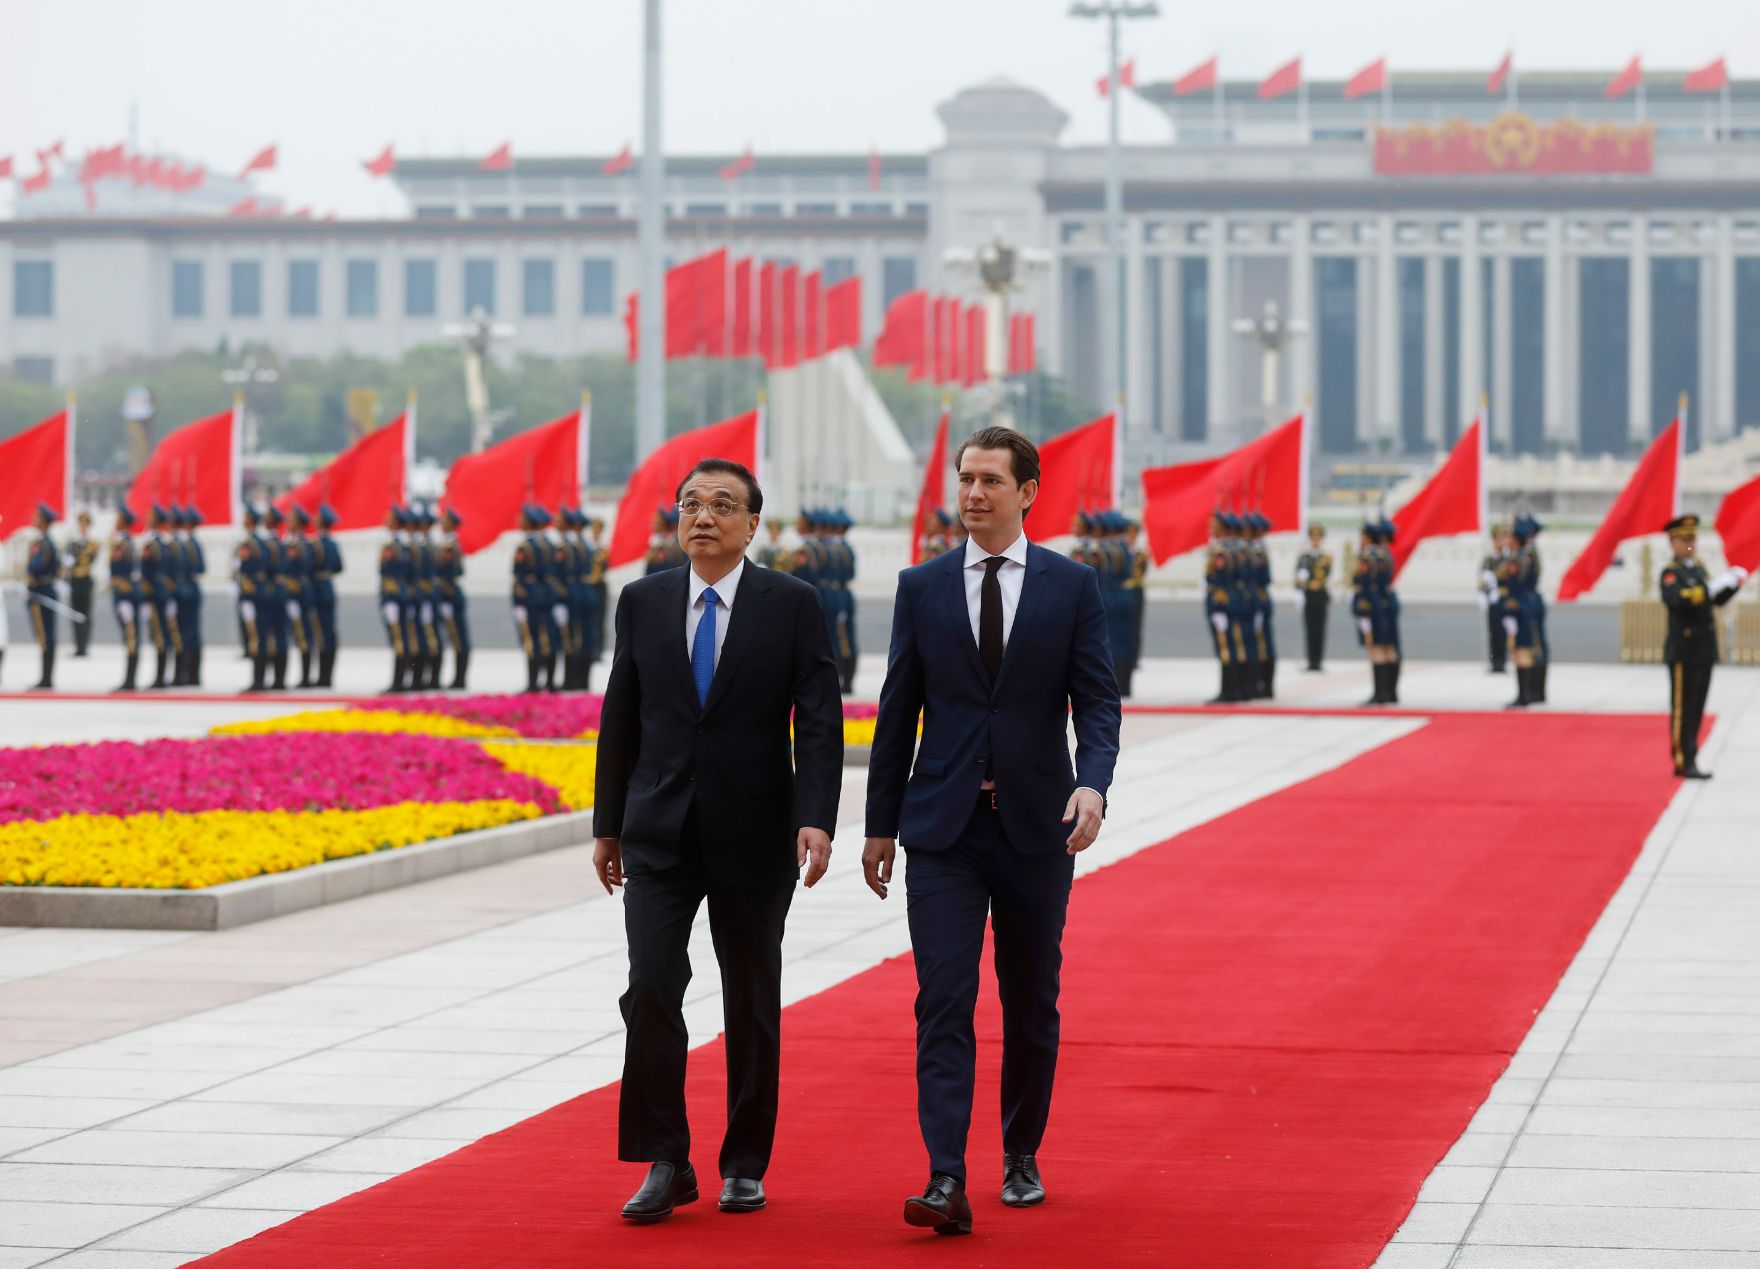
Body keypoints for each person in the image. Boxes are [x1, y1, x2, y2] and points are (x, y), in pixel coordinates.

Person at [863, 426, 1121, 1235]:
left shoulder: (1071, 586)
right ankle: (945, 1175)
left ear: (1027, 491)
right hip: (943, 830)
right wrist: (878, 825)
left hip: (1036, 829)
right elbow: (898, 710)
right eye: (965, 478)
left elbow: (1098, 702)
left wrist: (1092, 784)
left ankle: (1020, 1150)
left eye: (990, 481)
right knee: (943, 997)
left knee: (1030, 998)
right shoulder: (922, 585)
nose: (973, 493)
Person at [593, 458, 842, 1224]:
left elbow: (820, 718)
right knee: (651, 985)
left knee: (751, 997)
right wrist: (607, 823)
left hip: (755, 831)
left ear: (752, 522)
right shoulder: (642, 600)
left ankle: (744, 1162)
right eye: (691, 504)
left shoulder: (792, 604)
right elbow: (621, 715)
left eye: (723, 504)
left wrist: (816, 814)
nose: (703, 517)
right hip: (659, 831)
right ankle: (666, 1159)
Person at [1660, 514, 1747, 778]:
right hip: (1683, 651)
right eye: (1684, 540)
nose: (1690, 545)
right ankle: (1682, 758)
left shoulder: (1698, 569)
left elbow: (1715, 600)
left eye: (1692, 540)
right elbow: (1679, 601)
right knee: (1683, 708)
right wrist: (1709, 590)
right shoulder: (1671, 573)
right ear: (1673, 542)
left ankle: (1691, 756)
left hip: (1703, 649)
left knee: (1697, 707)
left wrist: (1732, 584)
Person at [513, 504, 558, 693]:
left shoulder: (525, 547)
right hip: (547, 595)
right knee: (548, 638)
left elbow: (519, 576)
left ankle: (533, 683)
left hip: (531, 596)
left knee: (531, 639)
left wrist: (518, 602)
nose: (519, 522)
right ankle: (549, 681)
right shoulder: (549, 545)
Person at [141, 505, 184, 690]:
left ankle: (160, 677)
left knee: (159, 635)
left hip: (154, 595)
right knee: (167, 634)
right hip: (165, 593)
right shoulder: (166, 545)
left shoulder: (152, 545)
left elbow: (147, 572)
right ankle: (169, 675)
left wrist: (145, 596)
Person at [26, 502, 61, 690]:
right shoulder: (41, 542)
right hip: (41, 591)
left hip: (42, 592)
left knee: (46, 636)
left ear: (44, 521)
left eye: (37, 517)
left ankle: (46, 679)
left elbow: (36, 567)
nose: (34, 519)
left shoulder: (44, 544)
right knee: (44, 636)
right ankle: (45, 677)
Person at [378, 507, 412, 693]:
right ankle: (399, 680)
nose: (386, 520)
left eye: (390, 518)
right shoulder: (395, 544)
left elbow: (397, 574)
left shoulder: (396, 546)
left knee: (400, 640)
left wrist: (391, 599)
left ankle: (399, 681)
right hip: (393, 597)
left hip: (395, 598)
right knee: (398, 640)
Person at [110, 505, 143, 692]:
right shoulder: (123, 542)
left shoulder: (123, 545)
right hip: (124, 594)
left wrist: (124, 596)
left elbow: (126, 572)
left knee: (131, 638)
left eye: (119, 518)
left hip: (126, 596)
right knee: (129, 638)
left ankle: (130, 680)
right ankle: (129, 678)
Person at [437, 507, 470, 690]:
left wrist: (446, 597)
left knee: (458, 639)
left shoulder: (450, 546)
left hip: (449, 596)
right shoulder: (447, 544)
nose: (441, 524)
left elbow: (452, 572)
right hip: (445, 595)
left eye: (445, 521)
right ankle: (458, 678)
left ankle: (460, 679)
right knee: (454, 638)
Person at [312, 505, 343, 688]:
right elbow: (339, 567)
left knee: (320, 634)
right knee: (329, 633)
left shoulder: (316, 544)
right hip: (328, 588)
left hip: (316, 590)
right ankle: (327, 676)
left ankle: (323, 677)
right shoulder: (333, 544)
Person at [1294, 523, 1332, 671]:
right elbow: (1297, 576)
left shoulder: (1326, 557)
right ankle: (1311, 661)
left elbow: (1326, 573)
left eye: (1318, 538)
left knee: (1320, 629)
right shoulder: (1304, 557)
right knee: (1309, 629)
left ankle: (1318, 661)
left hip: (1320, 594)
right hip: (1308, 594)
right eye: (1313, 538)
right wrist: (1298, 591)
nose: (1315, 541)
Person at [176, 507, 207, 687]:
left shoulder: (187, 544)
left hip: (186, 590)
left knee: (187, 633)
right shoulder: (194, 543)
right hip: (191, 589)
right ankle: (192, 674)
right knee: (191, 633)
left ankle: (188, 673)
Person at [65, 511, 99, 658]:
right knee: (75, 613)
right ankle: (77, 645)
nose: (83, 526)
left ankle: (84, 646)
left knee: (86, 614)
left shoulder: (93, 543)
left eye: (86, 523)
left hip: (86, 581)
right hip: (75, 581)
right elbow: (67, 561)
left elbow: (94, 561)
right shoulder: (73, 543)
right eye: (81, 523)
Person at [1478, 524, 1509, 674]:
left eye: (1503, 538)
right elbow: (1482, 579)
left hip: (1504, 598)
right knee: (1493, 632)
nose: (1500, 542)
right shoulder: (1489, 559)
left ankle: (1502, 661)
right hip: (1492, 599)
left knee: (1504, 632)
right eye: (1498, 539)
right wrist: (1484, 592)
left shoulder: (1508, 558)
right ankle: (1493, 661)